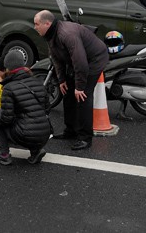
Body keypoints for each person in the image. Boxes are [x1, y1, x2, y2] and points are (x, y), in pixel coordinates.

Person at [34, 9, 108, 151]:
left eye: (37, 24)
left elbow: (81, 63)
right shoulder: (51, 34)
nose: (35, 27)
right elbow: (55, 58)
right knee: (67, 92)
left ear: (47, 23)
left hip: (94, 59)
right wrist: (62, 80)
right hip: (77, 61)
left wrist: (79, 86)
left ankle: (85, 138)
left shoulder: (66, 34)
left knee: (83, 97)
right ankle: (71, 130)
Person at [0, 50, 50, 165]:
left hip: (26, 135)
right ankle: (35, 151)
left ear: (7, 68)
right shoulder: (37, 82)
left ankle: (4, 154)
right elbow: (46, 109)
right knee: (29, 118)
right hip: (45, 133)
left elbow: (6, 119)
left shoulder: (9, 88)